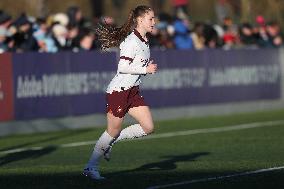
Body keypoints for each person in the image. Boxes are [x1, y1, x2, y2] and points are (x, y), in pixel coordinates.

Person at [83, 5, 158, 180]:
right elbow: (122, 66)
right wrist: (145, 69)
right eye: (151, 19)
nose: (154, 22)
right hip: (119, 91)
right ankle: (90, 166)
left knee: (148, 127)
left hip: (132, 91)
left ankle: (111, 143)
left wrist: (143, 68)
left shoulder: (144, 40)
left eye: (154, 18)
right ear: (140, 20)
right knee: (112, 131)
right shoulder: (132, 41)